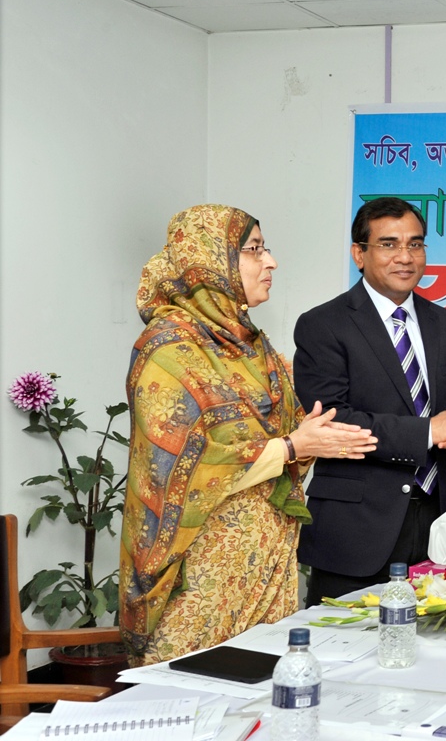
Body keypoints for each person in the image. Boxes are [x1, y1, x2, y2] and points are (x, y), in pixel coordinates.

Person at [120, 204, 377, 666]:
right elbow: (183, 467)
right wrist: (294, 446)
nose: (271, 261)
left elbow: (291, 432)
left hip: (266, 561)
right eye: (254, 249)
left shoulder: (252, 345)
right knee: (193, 694)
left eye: (265, 248)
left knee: (264, 691)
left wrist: (307, 438)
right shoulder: (168, 350)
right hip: (201, 572)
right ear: (209, 261)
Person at [294, 197, 446, 606]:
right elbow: (334, 421)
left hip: (434, 520)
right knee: (341, 640)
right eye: (389, 244)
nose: (405, 257)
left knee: (432, 636)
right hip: (357, 527)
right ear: (359, 254)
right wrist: (430, 431)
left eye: (416, 244)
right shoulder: (323, 325)